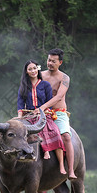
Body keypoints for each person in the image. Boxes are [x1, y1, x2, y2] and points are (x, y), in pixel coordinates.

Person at [0, 60, 67, 175]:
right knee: (7, 133)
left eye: (34, 68)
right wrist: (19, 118)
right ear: (26, 72)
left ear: (38, 69)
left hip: (44, 115)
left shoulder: (45, 85)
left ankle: (61, 165)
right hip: (28, 115)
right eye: (30, 69)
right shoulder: (24, 86)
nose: (33, 71)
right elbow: (20, 103)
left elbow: (50, 102)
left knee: (55, 132)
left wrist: (41, 110)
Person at [39, 48, 77, 179]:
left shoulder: (65, 78)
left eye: (53, 61)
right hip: (41, 113)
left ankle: (71, 170)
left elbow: (59, 96)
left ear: (60, 62)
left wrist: (43, 106)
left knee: (66, 136)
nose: (50, 63)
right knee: (19, 131)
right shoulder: (40, 75)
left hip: (58, 114)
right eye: (49, 60)